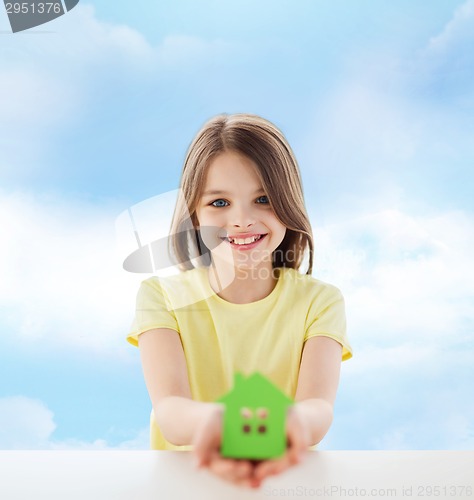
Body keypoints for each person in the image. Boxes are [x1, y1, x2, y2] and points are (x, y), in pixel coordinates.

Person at [126, 113, 352, 489]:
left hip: (283, 485)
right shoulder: (161, 297)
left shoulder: (320, 302)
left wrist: (293, 424)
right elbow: (171, 412)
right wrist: (224, 424)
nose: (242, 220)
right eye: (219, 203)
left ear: (288, 202)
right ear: (194, 216)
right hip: (185, 488)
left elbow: (317, 409)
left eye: (262, 199)